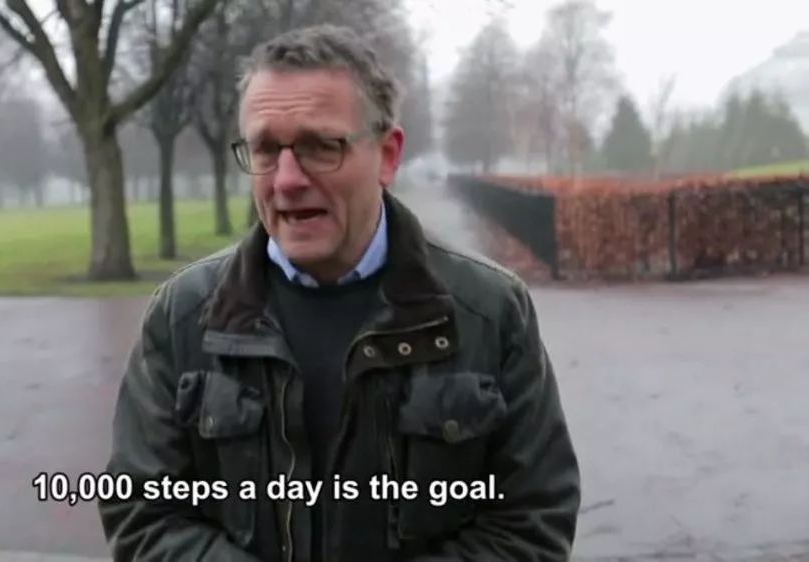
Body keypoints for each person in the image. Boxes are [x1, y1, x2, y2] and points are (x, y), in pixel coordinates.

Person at [98, 24, 581, 562]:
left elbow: (532, 521)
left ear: (388, 155)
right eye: (265, 149)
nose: (286, 179)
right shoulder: (182, 316)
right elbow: (143, 515)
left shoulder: (488, 311)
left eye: (319, 146)